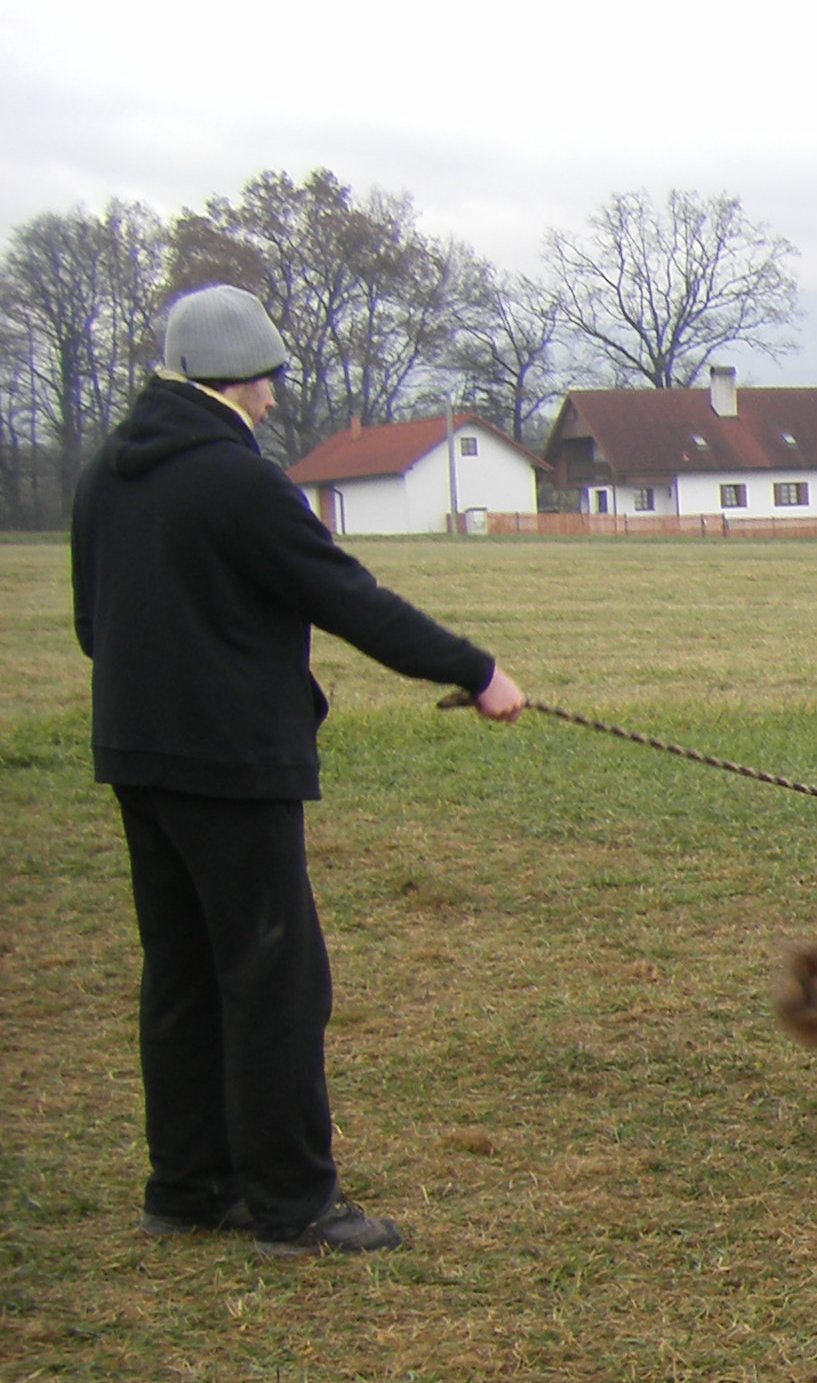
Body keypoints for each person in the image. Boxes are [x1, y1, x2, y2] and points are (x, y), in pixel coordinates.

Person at [71, 283, 527, 1256]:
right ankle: (292, 1206)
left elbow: (88, 623)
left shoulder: (109, 472)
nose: (275, 400)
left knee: (184, 974)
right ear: (239, 382)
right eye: (270, 383)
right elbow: (346, 598)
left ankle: (186, 1187)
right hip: (234, 766)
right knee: (277, 980)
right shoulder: (239, 483)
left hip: (136, 758)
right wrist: (476, 669)